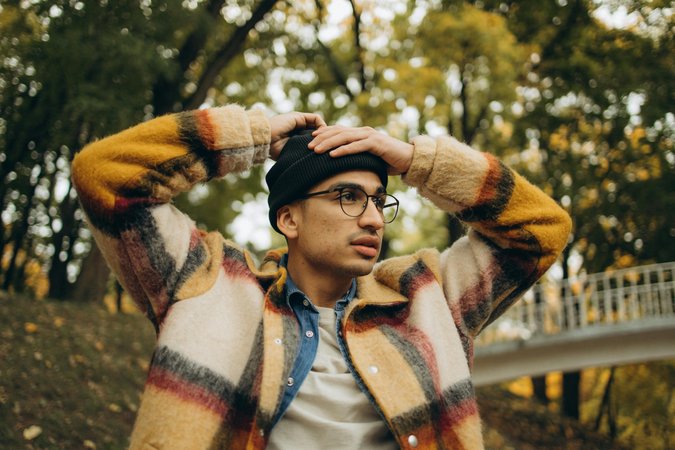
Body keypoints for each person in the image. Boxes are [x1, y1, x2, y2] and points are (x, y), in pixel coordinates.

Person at [71, 105, 571, 450]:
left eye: (379, 200)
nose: (373, 218)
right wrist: (254, 135)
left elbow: (541, 230)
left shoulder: (426, 297)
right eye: (348, 197)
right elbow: (105, 174)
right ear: (289, 219)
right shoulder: (209, 281)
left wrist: (417, 161)